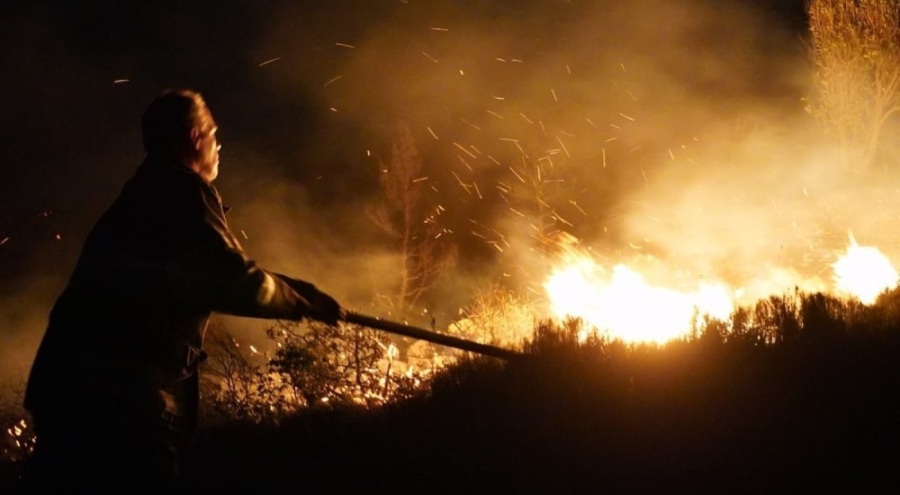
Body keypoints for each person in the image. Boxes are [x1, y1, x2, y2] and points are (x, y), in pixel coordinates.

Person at [22, 89, 344, 494]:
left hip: (72, 388)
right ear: (194, 138)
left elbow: (205, 272)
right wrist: (302, 303)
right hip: (122, 400)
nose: (219, 145)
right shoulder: (180, 189)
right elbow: (229, 280)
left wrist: (301, 291)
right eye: (213, 134)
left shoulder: (145, 193)